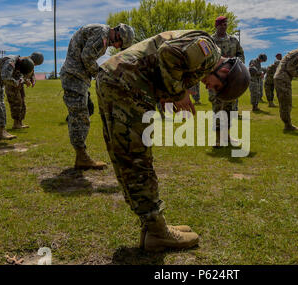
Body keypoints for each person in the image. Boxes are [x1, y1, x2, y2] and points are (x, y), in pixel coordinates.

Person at [95, 30, 250, 252]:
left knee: (127, 154)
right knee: (136, 158)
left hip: (119, 79)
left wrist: (169, 94)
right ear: (225, 70)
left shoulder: (205, 60)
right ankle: (157, 232)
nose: (209, 87)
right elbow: (168, 53)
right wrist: (179, 94)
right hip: (126, 82)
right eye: (216, 86)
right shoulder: (209, 51)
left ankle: (153, 226)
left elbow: (162, 64)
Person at [60, 23, 134, 170]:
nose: (117, 47)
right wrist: (100, 75)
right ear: (119, 35)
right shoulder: (102, 35)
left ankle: (81, 155)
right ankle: (81, 157)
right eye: (120, 44)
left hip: (77, 77)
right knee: (80, 116)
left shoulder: (101, 32)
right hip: (75, 77)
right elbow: (87, 57)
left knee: (82, 112)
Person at [210, 15, 245, 145]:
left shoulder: (233, 40)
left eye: (225, 24)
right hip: (216, 80)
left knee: (230, 108)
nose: (224, 26)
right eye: (221, 24)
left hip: (231, 80)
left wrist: (237, 65)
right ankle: (218, 139)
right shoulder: (210, 41)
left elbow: (240, 54)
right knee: (218, 108)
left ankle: (227, 137)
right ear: (216, 25)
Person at [0, 55, 34, 140]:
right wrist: (17, 83)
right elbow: (6, 77)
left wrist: (23, 80)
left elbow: (18, 76)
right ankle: (0, 132)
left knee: (1, 106)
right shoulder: (11, 62)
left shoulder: (18, 63)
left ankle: (2, 131)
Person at [5, 52, 44, 129]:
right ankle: (16, 124)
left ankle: (20, 123)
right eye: (36, 64)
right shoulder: (21, 62)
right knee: (16, 104)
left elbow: (32, 74)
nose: (35, 66)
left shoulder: (30, 63)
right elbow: (17, 75)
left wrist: (33, 80)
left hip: (20, 85)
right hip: (12, 85)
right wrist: (25, 80)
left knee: (22, 103)